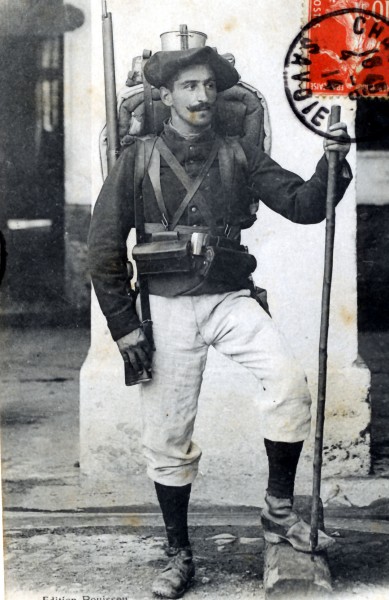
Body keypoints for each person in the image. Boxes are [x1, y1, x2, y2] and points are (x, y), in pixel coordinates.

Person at [88, 44, 351, 599]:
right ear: (165, 96)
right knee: (168, 437)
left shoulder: (240, 154)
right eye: (189, 86)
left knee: (289, 387)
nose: (202, 96)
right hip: (163, 310)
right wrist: (124, 327)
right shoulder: (134, 161)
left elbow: (305, 205)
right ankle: (179, 554)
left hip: (230, 299)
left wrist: (333, 163)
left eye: (209, 86)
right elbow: (103, 248)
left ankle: (278, 513)